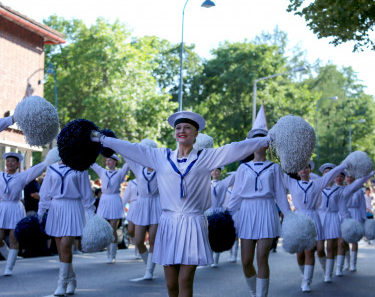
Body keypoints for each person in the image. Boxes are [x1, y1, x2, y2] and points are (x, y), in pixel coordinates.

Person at [91, 110, 270, 297]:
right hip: (168, 224)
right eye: (178, 128)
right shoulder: (161, 156)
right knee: (170, 285)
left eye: (187, 127)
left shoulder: (206, 157)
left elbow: (234, 148)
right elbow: (133, 148)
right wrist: (103, 139)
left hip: (193, 223)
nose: (182, 131)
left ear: (196, 133)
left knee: (185, 281)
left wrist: (265, 140)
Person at [227, 109, 290, 297]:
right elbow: (236, 196)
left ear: (267, 143)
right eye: (255, 140)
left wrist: (290, 216)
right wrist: (224, 217)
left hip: (267, 211)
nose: (258, 143)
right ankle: (255, 291)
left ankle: (262, 295)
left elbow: (280, 195)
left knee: (262, 257)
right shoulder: (243, 168)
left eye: (262, 139)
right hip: (246, 212)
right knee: (246, 261)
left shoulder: (275, 167)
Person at [282, 162, 348, 292]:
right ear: (298, 171)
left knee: (310, 251)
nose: (304, 170)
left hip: (313, 217)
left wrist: (343, 165)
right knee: (299, 254)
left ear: (310, 170)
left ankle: (306, 281)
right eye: (301, 168)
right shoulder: (292, 183)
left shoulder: (317, 184)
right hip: (298, 218)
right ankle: (304, 274)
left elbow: (330, 176)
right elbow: (278, 172)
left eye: (306, 167)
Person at [0, 152, 46, 275]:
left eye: (12, 161)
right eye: (8, 161)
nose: (9, 163)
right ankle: (10, 256)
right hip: (3, 207)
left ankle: (9, 266)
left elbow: (37, 168)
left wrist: (48, 161)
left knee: (14, 238)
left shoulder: (23, 176)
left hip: (15, 207)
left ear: (18, 164)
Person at [38, 161, 95, 296]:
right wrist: (40, 213)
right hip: (56, 208)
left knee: (65, 246)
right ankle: (72, 280)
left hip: (73, 207)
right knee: (60, 249)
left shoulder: (80, 167)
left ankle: (61, 283)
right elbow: (45, 193)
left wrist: (92, 216)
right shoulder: (52, 168)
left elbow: (87, 194)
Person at [123, 139, 161, 279]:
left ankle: (149, 271)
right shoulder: (138, 168)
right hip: (142, 205)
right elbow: (125, 153)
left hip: (156, 205)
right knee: (138, 240)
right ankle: (148, 264)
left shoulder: (160, 167)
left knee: (152, 240)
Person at [91, 155, 129, 264]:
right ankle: (108, 252)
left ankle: (112, 254)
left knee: (112, 227)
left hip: (115, 198)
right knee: (105, 227)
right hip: (105, 199)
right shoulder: (102, 171)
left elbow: (128, 165)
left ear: (115, 162)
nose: (108, 162)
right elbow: (92, 164)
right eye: (107, 160)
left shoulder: (120, 173)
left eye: (111, 160)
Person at [207, 168, 235, 268]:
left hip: (219, 212)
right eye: (213, 171)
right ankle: (207, 258)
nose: (215, 173)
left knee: (217, 235)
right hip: (208, 211)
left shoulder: (223, 184)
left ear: (220, 172)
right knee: (206, 236)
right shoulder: (206, 184)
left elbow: (235, 176)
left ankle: (215, 260)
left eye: (217, 171)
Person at [343, 174, 367, 272]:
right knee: (344, 240)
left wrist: (363, 217)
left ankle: (353, 263)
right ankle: (347, 262)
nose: (349, 178)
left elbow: (362, 204)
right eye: (347, 176)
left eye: (351, 176)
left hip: (356, 213)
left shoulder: (359, 191)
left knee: (354, 240)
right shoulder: (343, 189)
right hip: (346, 213)